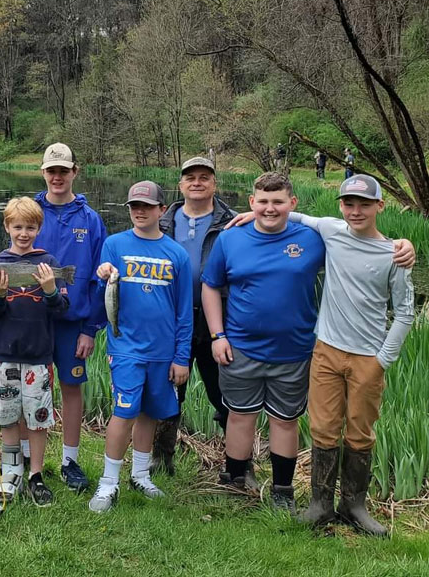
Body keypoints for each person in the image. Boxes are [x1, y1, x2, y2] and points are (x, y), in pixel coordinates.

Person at [295, 175, 414, 536]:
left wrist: (382, 361)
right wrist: (249, 216)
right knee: (323, 427)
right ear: (340, 207)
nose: (356, 211)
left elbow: (405, 312)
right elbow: (296, 217)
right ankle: (320, 505)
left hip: (367, 357)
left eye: (364, 204)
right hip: (327, 351)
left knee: (360, 432)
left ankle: (354, 505)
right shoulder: (332, 230)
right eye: (349, 203)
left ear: (380, 206)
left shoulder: (394, 254)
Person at [202, 173, 325, 513]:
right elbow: (211, 286)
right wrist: (218, 335)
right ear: (251, 202)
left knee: (285, 421)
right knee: (240, 416)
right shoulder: (231, 239)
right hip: (240, 347)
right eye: (263, 202)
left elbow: (354, 239)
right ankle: (235, 480)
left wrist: (399, 247)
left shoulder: (313, 239)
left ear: (292, 204)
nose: (270, 209)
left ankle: (283, 490)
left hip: (295, 350)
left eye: (278, 202)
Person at [89, 181, 192, 513]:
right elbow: (100, 292)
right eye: (134, 205)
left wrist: (181, 356)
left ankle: (141, 475)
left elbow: (184, 310)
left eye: (147, 206)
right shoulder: (114, 244)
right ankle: (108, 482)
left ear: (162, 211)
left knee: (149, 412)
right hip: (126, 347)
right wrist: (102, 273)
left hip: (162, 352)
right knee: (125, 411)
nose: (139, 211)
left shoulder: (177, 254)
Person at [151, 157, 235, 478]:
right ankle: (161, 459)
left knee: (226, 393)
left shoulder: (233, 222)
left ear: (214, 183)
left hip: (218, 321)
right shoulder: (163, 221)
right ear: (181, 184)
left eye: (204, 177)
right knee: (169, 390)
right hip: (172, 321)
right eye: (190, 177)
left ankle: (236, 464)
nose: (197, 182)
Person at [0, 197, 70, 506]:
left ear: (38, 229)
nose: (23, 233)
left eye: (30, 227)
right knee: (7, 416)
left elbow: (61, 309)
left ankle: (35, 475)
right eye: (17, 227)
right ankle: (10, 472)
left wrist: (49, 290)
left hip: (39, 356)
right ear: (7, 227)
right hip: (4, 354)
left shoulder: (48, 262)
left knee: (38, 418)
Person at [32, 142, 107, 493]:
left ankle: (70, 460)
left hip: (73, 322)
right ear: (43, 173)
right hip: (32, 319)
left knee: (71, 388)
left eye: (64, 170)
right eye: (52, 170)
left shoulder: (90, 219)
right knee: (27, 387)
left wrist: (90, 328)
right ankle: (24, 462)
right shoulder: (29, 211)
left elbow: (98, 279)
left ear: (75, 172)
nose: (57, 176)